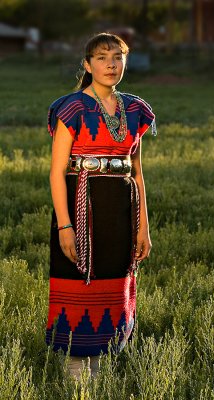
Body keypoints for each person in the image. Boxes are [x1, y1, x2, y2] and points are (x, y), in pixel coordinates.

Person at [46, 32, 156, 379]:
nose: (110, 64)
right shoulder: (73, 106)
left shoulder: (136, 109)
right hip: (82, 207)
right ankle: (76, 378)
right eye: (102, 57)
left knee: (113, 287)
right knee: (79, 285)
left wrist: (144, 228)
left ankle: (101, 373)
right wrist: (65, 226)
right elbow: (56, 172)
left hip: (122, 209)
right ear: (87, 64)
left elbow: (137, 174)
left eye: (117, 57)